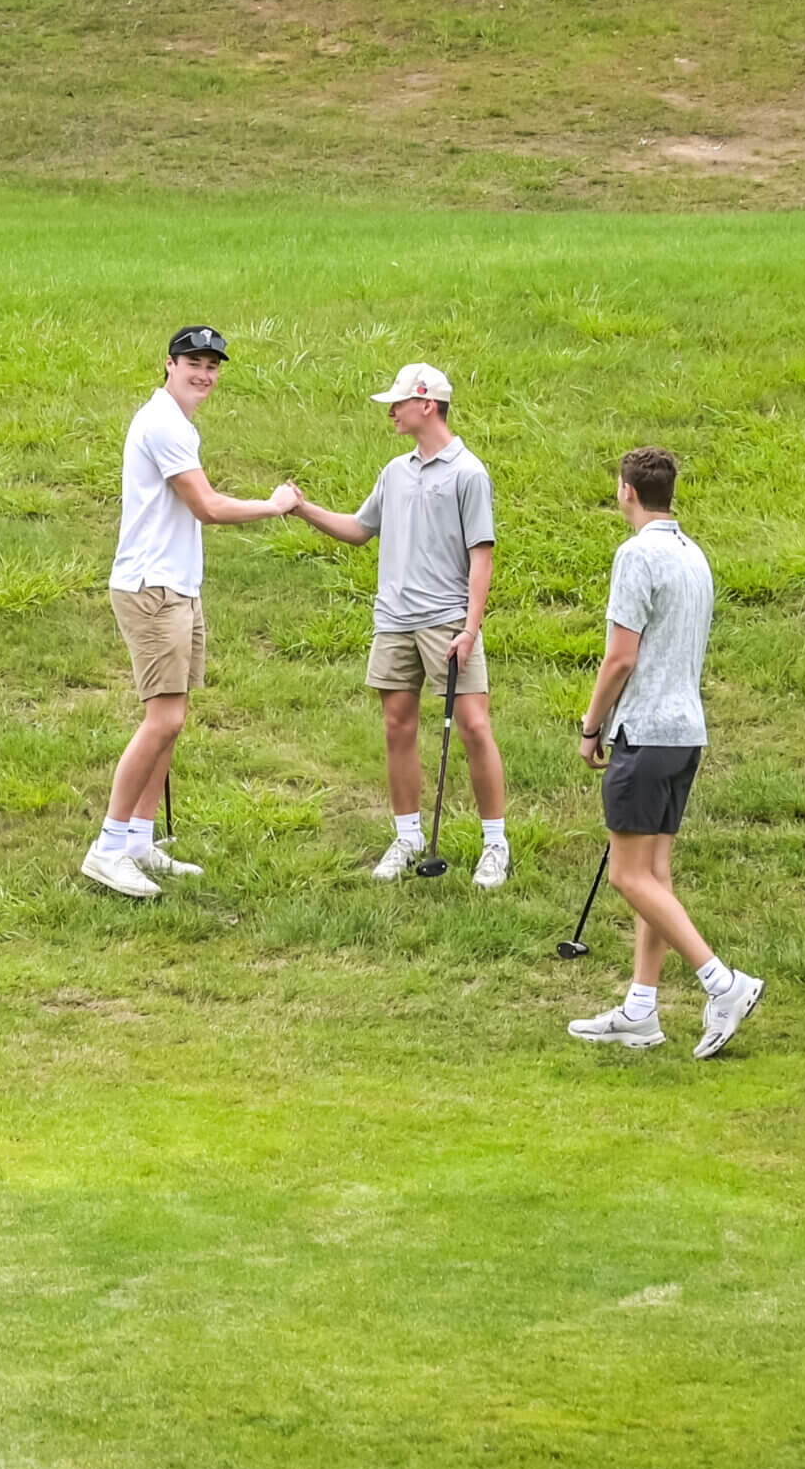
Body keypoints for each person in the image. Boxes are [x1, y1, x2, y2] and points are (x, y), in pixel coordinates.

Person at [83, 326, 298, 899]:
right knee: (164, 720)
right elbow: (206, 506)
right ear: (169, 365)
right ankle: (107, 848)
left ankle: (137, 839)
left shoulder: (176, 423)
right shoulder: (163, 424)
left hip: (176, 586)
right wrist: (275, 506)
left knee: (172, 720)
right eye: (193, 362)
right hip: (153, 590)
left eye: (212, 364)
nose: (204, 373)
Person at [566, 446, 764, 1057]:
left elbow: (620, 656)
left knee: (629, 875)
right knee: (655, 875)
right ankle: (641, 1011)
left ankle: (720, 982)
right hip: (685, 735)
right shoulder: (692, 554)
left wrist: (590, 724)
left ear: (627, 491)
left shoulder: (636, 555)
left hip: (645, 732)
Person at [284, 362, 513, 889]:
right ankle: (408, 836)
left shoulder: (468, 473)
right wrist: (301, 508)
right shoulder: (395, 472)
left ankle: (495, 844)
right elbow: (359, 530)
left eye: (399, 402)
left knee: (475, 727)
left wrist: (470, 628)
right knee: (397, 727)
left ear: (426, 404)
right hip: (394, 621)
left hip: (447, 622)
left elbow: (482, 557)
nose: (391, 410)